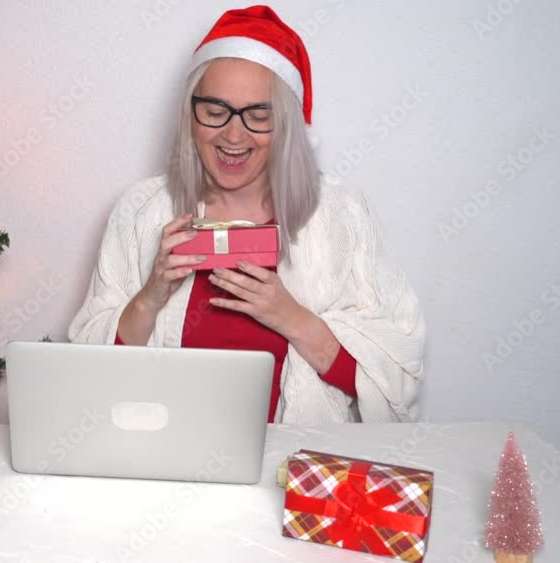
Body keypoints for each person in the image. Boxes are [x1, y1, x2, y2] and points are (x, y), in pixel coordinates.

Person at [68, 6, 426, 424]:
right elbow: (87, 376)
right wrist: (151, 295)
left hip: (293, 457)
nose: (234, 135)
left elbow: (395, 381)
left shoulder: (341, 214)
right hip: (166, 451)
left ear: (286, 126)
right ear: (190, 116)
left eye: (258, 116)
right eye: (215, 111)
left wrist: (290, 316)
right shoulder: (140, 210)